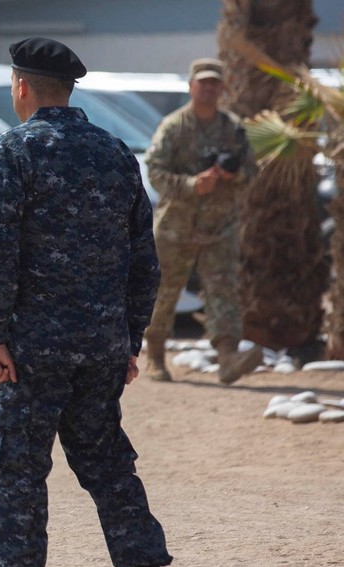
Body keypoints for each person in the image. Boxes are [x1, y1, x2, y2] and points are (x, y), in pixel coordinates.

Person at [0, 38, 185, 567]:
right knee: (108, 465)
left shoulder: (15, 149)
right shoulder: (114, 154)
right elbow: (145, 261)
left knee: (15, 470)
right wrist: (128, 338)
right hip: (101, 348)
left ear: (22, 87)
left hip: (32, 351)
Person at [144, 58, 262, 384]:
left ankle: (228, 359)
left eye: (215, 83)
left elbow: (252, 172)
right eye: (203, 83)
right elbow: (154, 171)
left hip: (220, 226)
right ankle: (155, 354)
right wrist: (190, 184)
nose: (209, 89)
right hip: (175, 227)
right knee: (165, 292)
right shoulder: (174, 126)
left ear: (222, 88)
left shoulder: (233, 128)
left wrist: (233, 175)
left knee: (223, 289)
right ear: (191, 86)